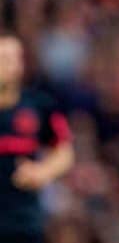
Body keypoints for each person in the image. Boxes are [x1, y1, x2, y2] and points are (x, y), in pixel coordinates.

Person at [0, 31, 74, 243]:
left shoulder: (40, 105)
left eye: (13, 58)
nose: (8, 65)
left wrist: (43, 172)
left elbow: (64, 151)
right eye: (2, 59)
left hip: (23, 222)